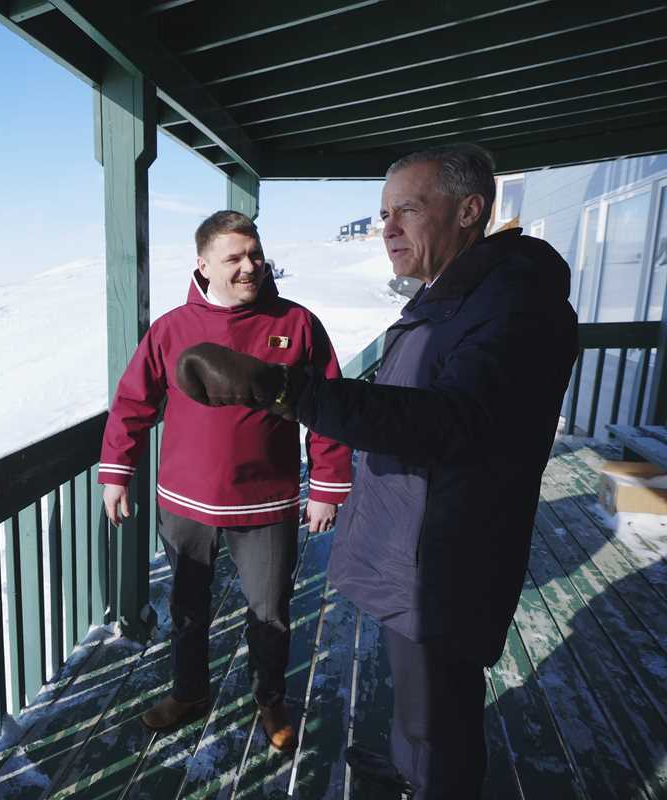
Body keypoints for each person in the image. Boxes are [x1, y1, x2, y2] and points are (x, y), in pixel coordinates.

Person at [174, 143, 578, 799]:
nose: (388, 227)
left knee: (442, 714)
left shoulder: (515, 305)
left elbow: (453, 420)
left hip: (447, 554)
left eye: (407, 210)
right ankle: (408, 765)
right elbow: (410, 395)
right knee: (415, 693)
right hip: (413, 540)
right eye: (384, 213)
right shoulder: (452, 297)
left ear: (468, 211)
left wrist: (289, 391)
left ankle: (434, 780)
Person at [98, 210, 353, 750]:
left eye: (254, 254)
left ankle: (270, 699)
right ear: (203, 264)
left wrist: (327, 485)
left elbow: (329, 407)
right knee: (187, 609)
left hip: (266, 501)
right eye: (233, 258)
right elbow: (133, 403)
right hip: (185, 501)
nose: (249, 267)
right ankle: (189, 692)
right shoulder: (172, 329)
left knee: (271, 612)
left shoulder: (297, 324)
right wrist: (117, 473)